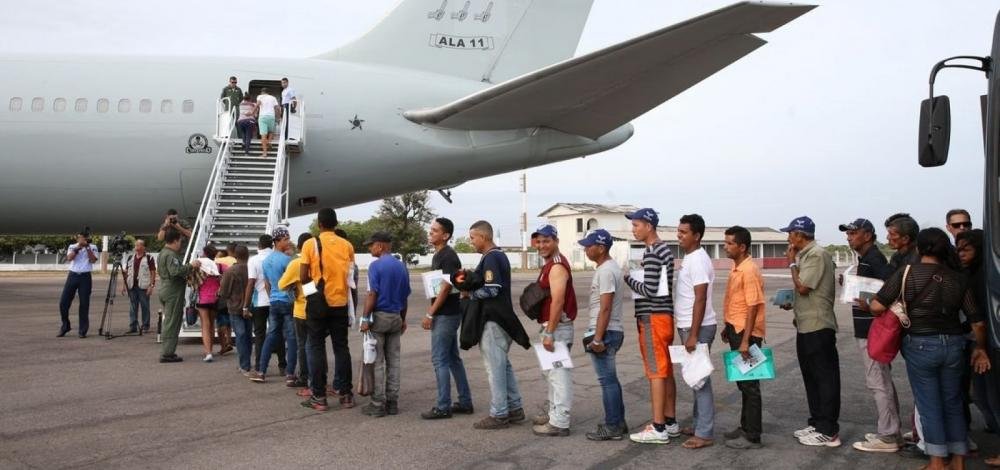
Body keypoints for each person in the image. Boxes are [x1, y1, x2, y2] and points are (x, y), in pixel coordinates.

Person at [870, 228, 991, 470]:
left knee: (929, 405)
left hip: (920, 344)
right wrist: (980, 348)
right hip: (954, 345)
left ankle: (937, 462)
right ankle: (958, 460)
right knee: (953, 402)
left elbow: (876, 306)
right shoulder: (958, 277)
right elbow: (977, 322)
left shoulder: (907, 273)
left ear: (919, 248)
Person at [837, 218, 901, 452]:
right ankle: (891, 429)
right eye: (848, 233)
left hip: (872, 330)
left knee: (878, 382)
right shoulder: (866, 258)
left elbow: (891, 285)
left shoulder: (874, 258)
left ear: (867, 235)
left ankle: (888, 436)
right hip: (868, 329)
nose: (849, 237)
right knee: (881, 380)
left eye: (853, 233)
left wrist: (874, 303)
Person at [778, 216, 842, 447]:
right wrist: (791, 302)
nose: (788, 238)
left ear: (799, 235)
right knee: (811, 376)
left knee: (824, 378)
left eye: (790, 233)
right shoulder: (806, 255)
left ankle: (829, 430)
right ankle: (817, 422)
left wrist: (791, 264)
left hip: (818, 326)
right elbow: (804, 292)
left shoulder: (816, 254)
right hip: (805, 325)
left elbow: (804, 287)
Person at [464, 220, 529, 430]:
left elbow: (492, 289)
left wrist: (469, 294)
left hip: (493, 321)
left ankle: (499, 414)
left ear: (483, 237)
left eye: (473, 237)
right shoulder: (495, 256)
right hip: (501, 319)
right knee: (503, 366)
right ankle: (515, 408)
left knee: (495, 369)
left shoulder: (492, 257)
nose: (471, 241)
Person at [622, 207, 680, 444]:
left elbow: (650, 289)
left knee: (656, 371)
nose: (633, 230)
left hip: (652, 317)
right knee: (665, 370)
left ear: (648, 226)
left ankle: (658, 427)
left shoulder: (653, 251)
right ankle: (670, 421)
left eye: (636, 225)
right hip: (663, 316)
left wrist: (628, 278)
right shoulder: (663, 249)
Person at [299, 208, 356, 411]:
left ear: (319, 224)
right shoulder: (347, 245)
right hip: (340, 302)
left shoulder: (310, 243)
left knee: (316, 346)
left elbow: (303, 276)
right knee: (341, 348)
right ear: (336, 224)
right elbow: (350, 276)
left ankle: (319, 396)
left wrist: (311, 295)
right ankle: (346, 394)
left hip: (318, 303)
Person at [420, 217, 474, 420]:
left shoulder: (448, 256)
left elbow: (446, 287)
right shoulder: (440, 255)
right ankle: (465, 402)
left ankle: (443, 406)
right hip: (447, 313)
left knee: (439, 360)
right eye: (431, 230)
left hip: (446, 315)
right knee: (452, 359)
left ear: (445, 235)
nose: (430, 233)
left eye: (435, 231)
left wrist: (430, 313)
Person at [578, 229, 629, 441]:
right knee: (611, 380)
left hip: (605, 331)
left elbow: (605, 308)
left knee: (607, 381)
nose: (585, 249)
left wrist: (598, 338)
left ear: (601, 248)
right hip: (609, 329)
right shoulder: (608, 268)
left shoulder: (606, 271)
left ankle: (612, 426)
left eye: (589, 246)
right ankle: (618, 422)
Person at [720, 226, 766, 450]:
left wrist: (746, 340)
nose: (725, 247)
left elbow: (753, 306)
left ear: (742, 247)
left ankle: (753, 435)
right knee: (743, 383)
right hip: (736, 329)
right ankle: (745, 426)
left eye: (729, 243)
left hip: (746, 333)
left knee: (750, 385)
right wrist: (727, 326)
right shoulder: (737, 267)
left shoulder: (748, 270)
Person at [673, 214, 717, 449]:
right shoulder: (690, 258)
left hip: (697, 327)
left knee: (700, 379)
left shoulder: (698, 260)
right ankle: (699, 423)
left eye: (684, 232)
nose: (679, 235)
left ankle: (705, 433)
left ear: (697, 236)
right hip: (689, 325)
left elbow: (700, 298)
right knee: (695, 377)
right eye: (678, 231)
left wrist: (693, 334)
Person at [958, 230, 1000, 466]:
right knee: (982, 397)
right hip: (978, 341)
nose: (961, 254)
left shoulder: (985, 275)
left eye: (967, 249)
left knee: (992, 397)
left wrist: (981, 346)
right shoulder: (969, 273)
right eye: (959, 249)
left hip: (987, 343)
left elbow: (982, 317)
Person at [530, 224, 576, 437]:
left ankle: (560, 422)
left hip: (557, 328)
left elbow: (558, 301)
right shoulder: (550, 263)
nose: (542, 245)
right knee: (552, 375)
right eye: (538, 241)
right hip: (552, 327)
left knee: (559, 376)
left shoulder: (557, 265)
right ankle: (553, 414)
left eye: (546, 241)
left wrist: (549, 332)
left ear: (556, 241)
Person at [360, 232, 412, 418]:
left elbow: (372, 294)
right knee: (394, 362)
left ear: (380, 246)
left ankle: (377, 404)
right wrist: (403, 319)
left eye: (371, 245)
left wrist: (365, 318)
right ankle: (392, 403)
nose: (370, 248)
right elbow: (405, 297)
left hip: (379, 318)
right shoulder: (402, 267)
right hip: (396, 317)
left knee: (377, 362)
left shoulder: (375, 266)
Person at [251, 227, 297, 384]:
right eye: (286, 239)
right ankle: (290, 374)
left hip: (273, 301)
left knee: (271, 335)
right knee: (291, 337)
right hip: (287, 301)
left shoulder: (266, 261)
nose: (288, 241)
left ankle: (261, 371)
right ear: (277, 241)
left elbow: (267, 284)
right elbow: (291, 283)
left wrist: (272, 297)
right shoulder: (286, 260)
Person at [243, 235, 285, 376]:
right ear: (272, 245)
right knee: (278, 333)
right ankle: (283, 366)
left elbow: (251, 283)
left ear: (259, 245)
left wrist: (245, 306)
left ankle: (259, 366)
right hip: (277, 300)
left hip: (259, 302)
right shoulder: (279, 258)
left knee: (260, 335)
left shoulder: (253, 260)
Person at [157, 228, 200, 363]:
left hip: (166, 288)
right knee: (172, 322)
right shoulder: (171, 255)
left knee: (170, 320)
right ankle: (167, 352)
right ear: (175, 241)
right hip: (173, 291)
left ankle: (168, 350)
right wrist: (191, 266)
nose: (180, 244)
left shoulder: (163, 253)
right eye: (180, 241)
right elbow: (175, 271)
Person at [279, 233, 313, 392]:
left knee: (303, 346)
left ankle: (305, 378)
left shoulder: (296, 263)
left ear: (299, 247)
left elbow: (282, 284)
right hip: (320, 309)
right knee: (316, 346)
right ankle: (318, 377)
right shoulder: (319, 261)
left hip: (301, 310)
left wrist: (294, 284)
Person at [58, 230, 99, 338]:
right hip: (73, 275)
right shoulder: (72, 246)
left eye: (83, 238)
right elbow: (69, 258)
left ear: (87, 238)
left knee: (84, 304)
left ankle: (82, 330)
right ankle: (65, 325)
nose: (80, 239)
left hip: (85, 277)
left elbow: (93, 260)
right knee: (63, 302)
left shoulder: (93, 247)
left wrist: (87, 247)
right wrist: (78, 248)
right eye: (79, 238)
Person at [218, 246, 251, 374]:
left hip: (235, 307)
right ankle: (249, 362)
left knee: (240, 336)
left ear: (235, 256)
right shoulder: (252, 269)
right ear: (248, 255)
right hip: (250, 307)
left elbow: (224, 292)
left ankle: (244, 365)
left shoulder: (230, 271)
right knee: (247, 335)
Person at [195, 246, 223, 363]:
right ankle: (210, 349)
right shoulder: (219, 266)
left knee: (205, 325)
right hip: (215, 298)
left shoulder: (199, 265)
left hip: (203, 298)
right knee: (211, 324)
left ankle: (208, 352)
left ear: (205, 253)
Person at [121, 239, 156, 334]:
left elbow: (153, 272)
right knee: (133, 307)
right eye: (135, 245)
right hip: (132, 286)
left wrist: (151, 286)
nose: (136, 247)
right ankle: (133, 326)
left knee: (145, 306)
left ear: (143, 247)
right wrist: (124, 285)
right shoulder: (130, 258)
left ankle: (145, 326)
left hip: (143, 286)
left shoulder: (149, 258)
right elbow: (126, 272)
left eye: (138, 245)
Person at [213, 245, 236, 356]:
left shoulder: (218, 263)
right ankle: (229, 341)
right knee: (228, 321)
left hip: (221, 296)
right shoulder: (234, 261)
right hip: (231, 295)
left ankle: (224, 345)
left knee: (221, 321)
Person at [255, 87, 280, 156]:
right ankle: (269, 142)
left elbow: (257, 105)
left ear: (262, 92)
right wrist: (278, 118)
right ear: (268, 92)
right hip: (271, 117)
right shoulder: (273, 98)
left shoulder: (260, 96)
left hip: (262, 117)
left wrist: (252, 112)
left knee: (263, 135)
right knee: (271, 131)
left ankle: (265, 153)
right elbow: (277, 108)